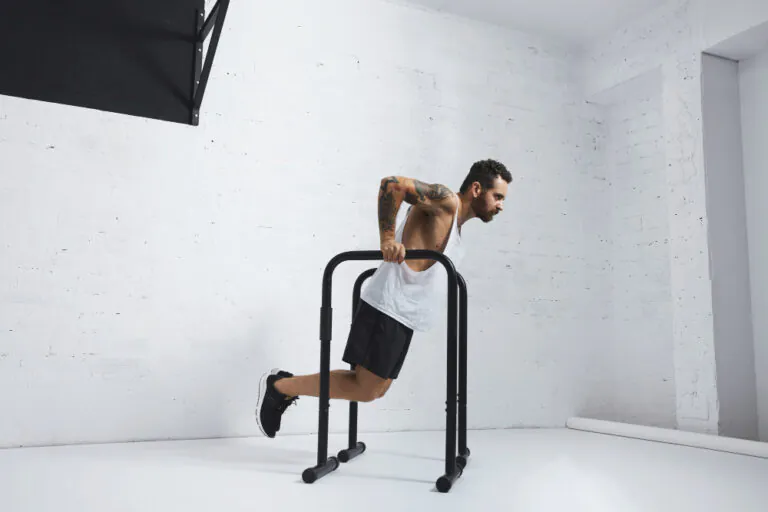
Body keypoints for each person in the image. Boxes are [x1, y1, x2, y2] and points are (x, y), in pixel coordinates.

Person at [255, 159, 512, 438]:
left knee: (372, 389)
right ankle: (280, 387)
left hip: (404, 314)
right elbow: (392, 184)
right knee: (366, 389)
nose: (500, 205)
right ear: (476, 188)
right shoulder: (446, 202)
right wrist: (387, 239)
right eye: (497, 196)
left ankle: (281, 386)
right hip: (388, 306)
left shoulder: (457, 226)